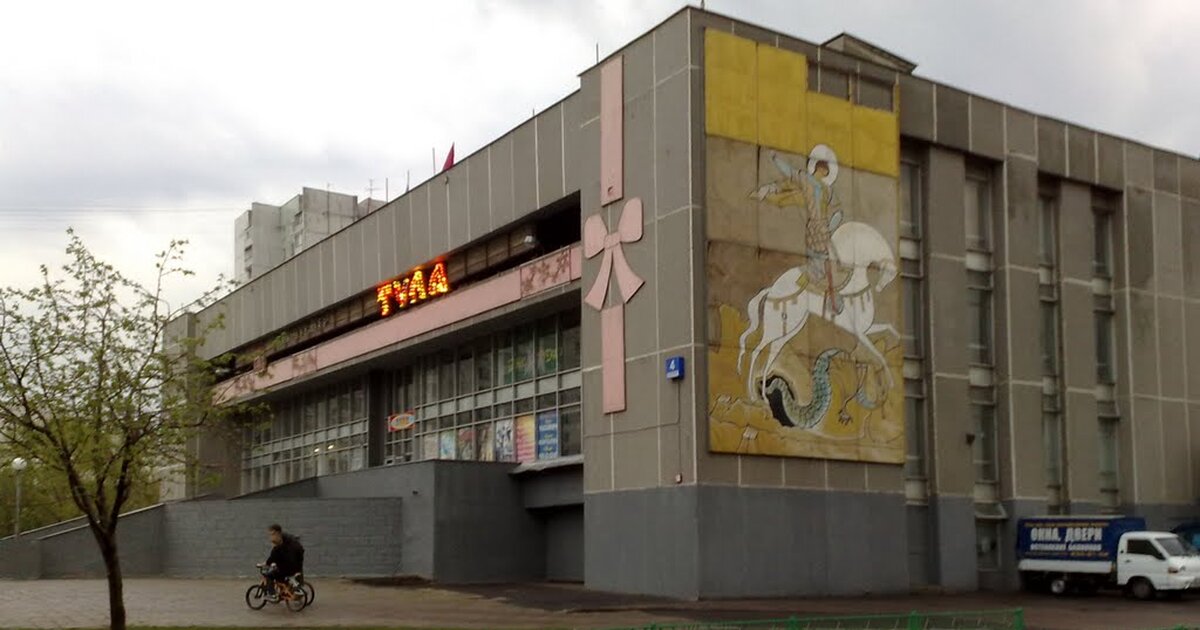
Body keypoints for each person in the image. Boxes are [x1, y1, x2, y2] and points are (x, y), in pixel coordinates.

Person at [262, 524, 305, 599]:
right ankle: (290, 588)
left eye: (272, 534)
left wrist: (266, 563)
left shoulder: (279, 545)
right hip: (297, 566)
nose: (271, 537)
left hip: (287, 569)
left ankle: (272, 594)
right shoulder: (290, 540)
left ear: (277, 533)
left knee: (269, 575)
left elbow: (273, 558)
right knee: (279, 570)